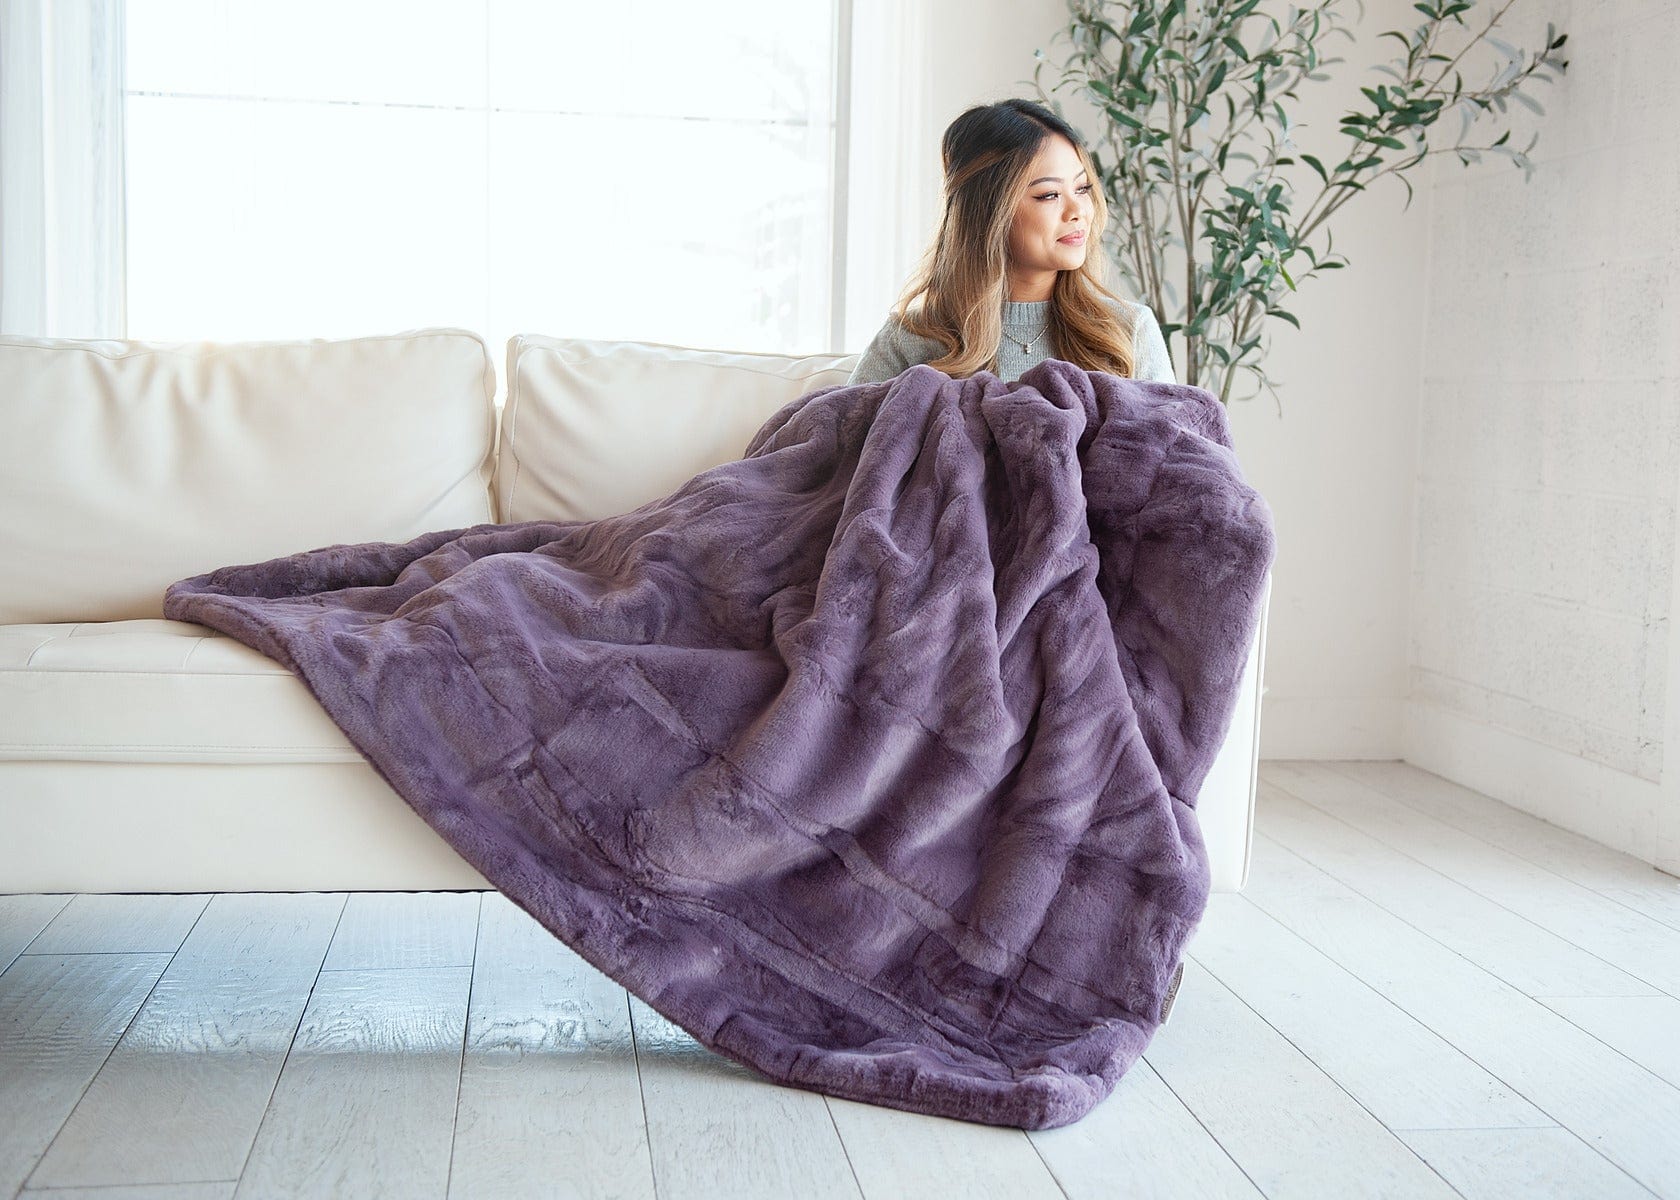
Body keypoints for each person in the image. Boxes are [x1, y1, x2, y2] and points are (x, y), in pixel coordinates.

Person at [847, 98, 1176, 387]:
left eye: (1082, 188)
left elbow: (1175, 439)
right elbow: (843, 434)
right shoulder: (910, 339)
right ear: (989, 211)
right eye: (1049, 195)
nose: (1078, 211)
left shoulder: (1128, 332)